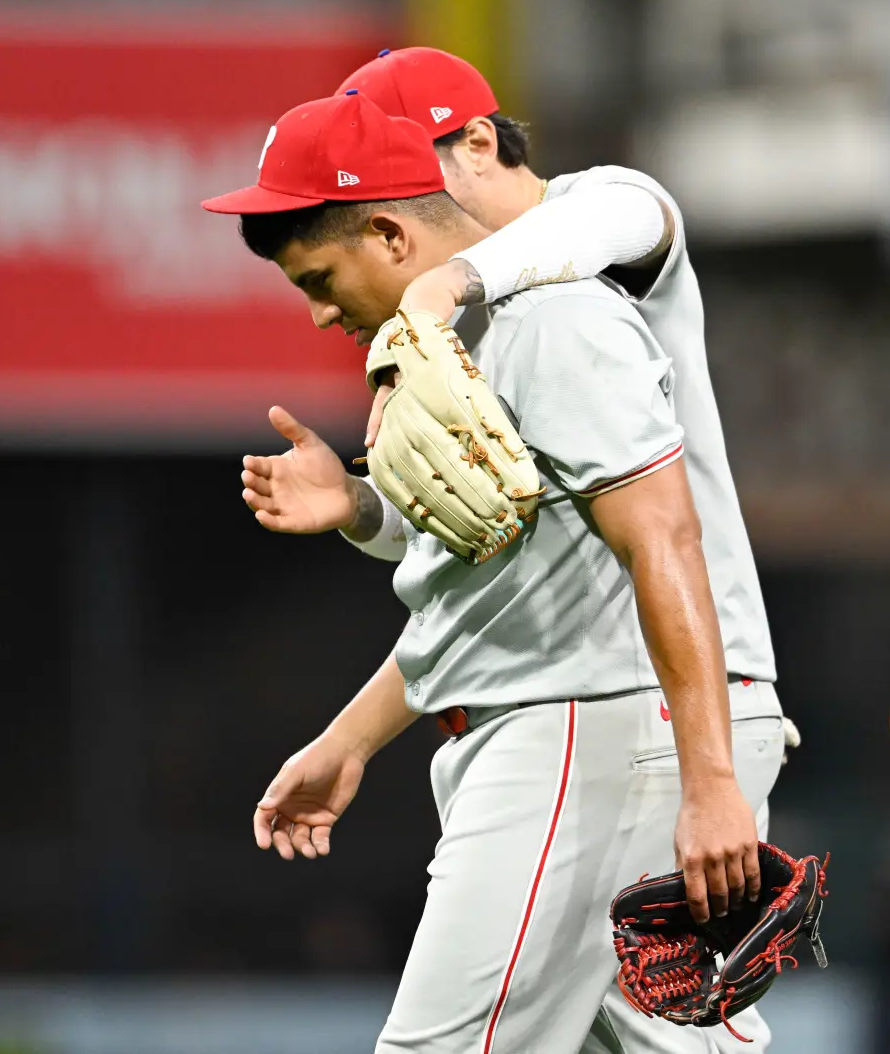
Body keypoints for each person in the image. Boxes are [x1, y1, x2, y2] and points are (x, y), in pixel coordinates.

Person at [205, 90, 788, 1052]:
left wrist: (710, 778)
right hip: (585, 718)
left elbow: (665, 541)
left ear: (390, 233)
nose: (315, 315)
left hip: (591, 726)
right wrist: (359, 519)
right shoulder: (460, 344)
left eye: (320, 276)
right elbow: (492, 596)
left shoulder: (550, 304)